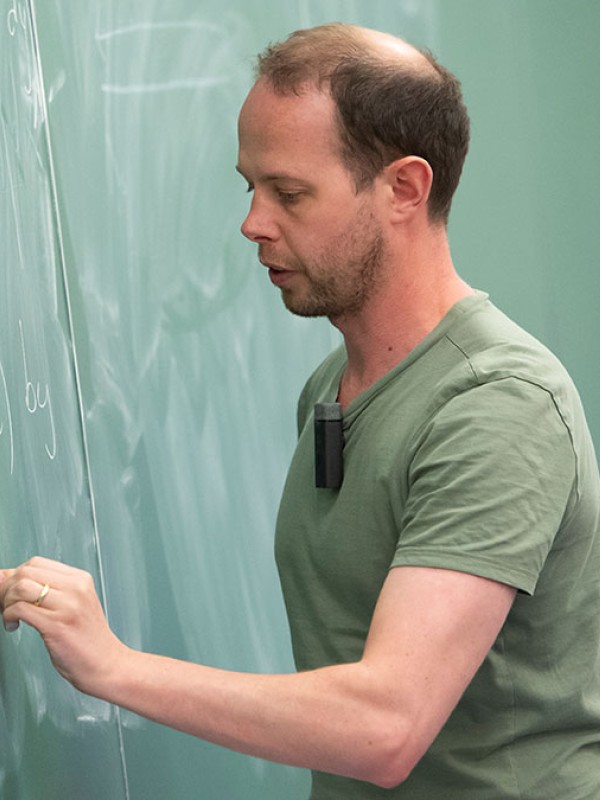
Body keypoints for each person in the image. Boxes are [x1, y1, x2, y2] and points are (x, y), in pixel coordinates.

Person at [1, 22, 599, 799]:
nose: (253, 222)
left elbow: (386, 726)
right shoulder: (329, 390)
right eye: (249, 187)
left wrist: (114, 667)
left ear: (403, 190)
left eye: (288, 192)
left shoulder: (496, 408)